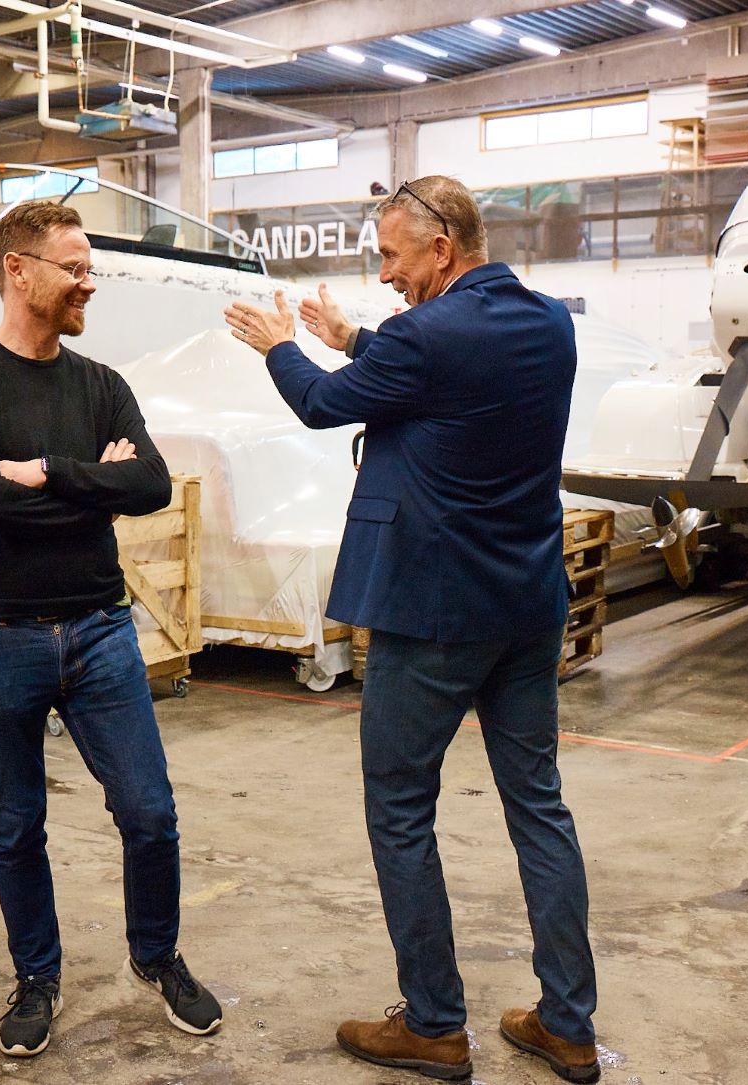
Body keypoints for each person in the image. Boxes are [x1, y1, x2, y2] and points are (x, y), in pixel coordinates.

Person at [223, 176, 601, 1083]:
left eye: (393, 256)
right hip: (525, 606)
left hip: (432, 612)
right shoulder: (549, 323)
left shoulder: (426, 336)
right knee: (538, 806)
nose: (386, 273)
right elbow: (440, 373)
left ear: (442, 247)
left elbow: (324, 404)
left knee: (399, 809)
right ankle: (567, 1023)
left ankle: (433, 1024)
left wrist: (281, 346)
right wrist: (353, 337)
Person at [0, 200, 223, 1058]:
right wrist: (95, 485)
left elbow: (152, 485)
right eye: (75, 267)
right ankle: (36, 977)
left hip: (99, 631)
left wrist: (49, 471)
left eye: (92, 268)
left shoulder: (100, 385)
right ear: (18, 270)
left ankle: (155, 957)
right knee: (16, 824)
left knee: (149, 811)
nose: (89, 282)